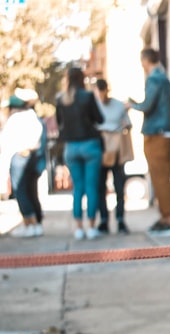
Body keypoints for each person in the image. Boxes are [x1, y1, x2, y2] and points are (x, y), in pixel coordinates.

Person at [127, 49, 170, 236]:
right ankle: (166, 217)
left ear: (145, 60)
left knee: (159, 178)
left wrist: (131, 104)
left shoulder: (154, 79)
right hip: (165, 132)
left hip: (155, 133)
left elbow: (147, 105)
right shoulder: (165, 79)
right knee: (163, 177)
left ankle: (169, 219)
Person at [56, 66, 105, 240]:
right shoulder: (88, 96)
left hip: (71, 147)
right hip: (90, 145)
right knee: (91, 187)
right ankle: (91, 227)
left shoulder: (61, 99)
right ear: (82, 78)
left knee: (78, 188)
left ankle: (78, 228)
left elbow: (59, 123)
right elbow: (100, 119)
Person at [1, 93, 44, 238]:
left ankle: (29, 223)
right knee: (31, 191)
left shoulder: (15, 119)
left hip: (19, 156)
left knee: (21, 191)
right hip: (32, 156)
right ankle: (36, 224)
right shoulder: (32, 117)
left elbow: (4, 140)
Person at [94, 79, 131, 234]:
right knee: (101, 187)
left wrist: (123, 126)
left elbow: (128, 124)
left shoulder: (118, 105)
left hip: (116, 150)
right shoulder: (94, 106)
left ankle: (120, 219)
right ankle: (104, 220)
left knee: (119, 186)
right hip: (101, 149)